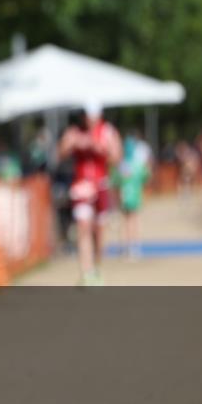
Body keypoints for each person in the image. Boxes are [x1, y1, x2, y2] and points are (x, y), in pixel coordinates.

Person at [57, 99, 122, 286]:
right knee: (83, 227)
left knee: (98, 231)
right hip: (81, 187)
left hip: (101, 185)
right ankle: (87, 271)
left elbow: (117, 158)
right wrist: (72, 144)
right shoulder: (74, 131)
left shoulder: (108, 131)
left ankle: (97, 265)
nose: (89, 119)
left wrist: (100, 148)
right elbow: (59, 153)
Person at [111, 133, 151, 260]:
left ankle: (125, 247)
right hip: (135, 195)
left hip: (124, 195)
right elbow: (146, 176)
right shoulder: (138, 165)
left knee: (125, 222)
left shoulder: (122, 165)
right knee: (134, 221)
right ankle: (134, 247)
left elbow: (115, 180)